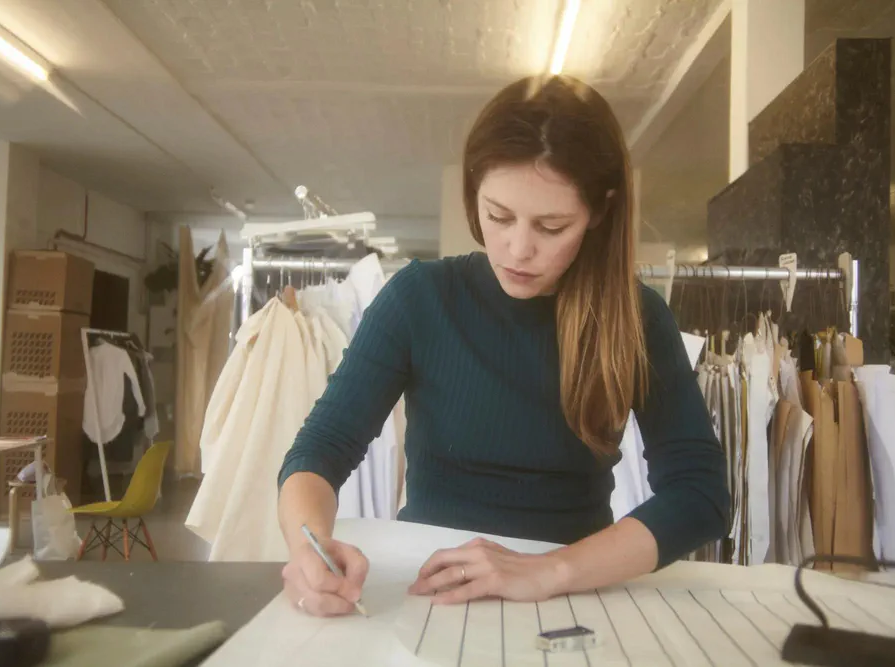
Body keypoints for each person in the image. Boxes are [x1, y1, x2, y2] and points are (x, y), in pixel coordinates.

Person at [278, 75, 729, 617]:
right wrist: (308, 548)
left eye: (552, 226)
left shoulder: (637, 319)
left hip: (570, 602)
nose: (518, 249)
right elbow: (319, 450)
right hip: (431, 593)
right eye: (498, 216)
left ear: (599, 213)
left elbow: (700, 495)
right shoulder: (419, 299)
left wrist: (549, 570)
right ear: (474, 195)